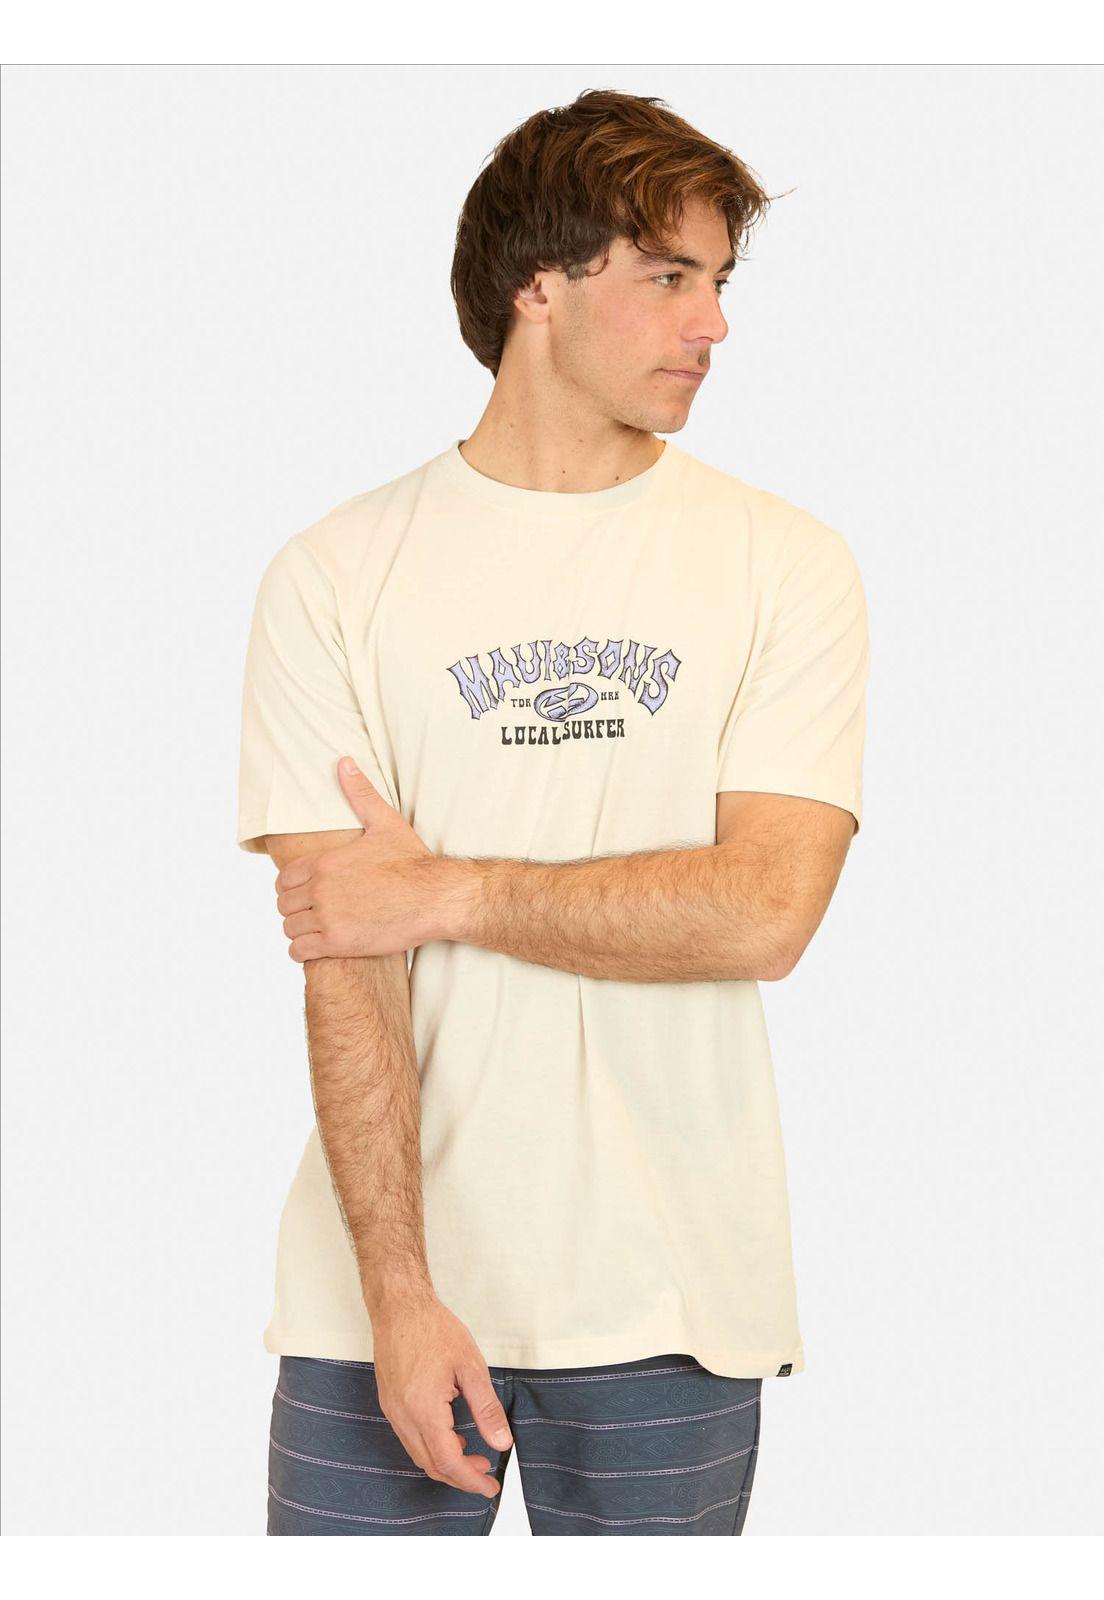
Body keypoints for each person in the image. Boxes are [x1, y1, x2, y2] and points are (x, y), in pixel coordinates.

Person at [237, 88, 869, 1537]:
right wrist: (399, 1298)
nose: (715, 324)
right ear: (539, 282)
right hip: (373, 1305)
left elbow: (766, 912)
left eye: (719, 280)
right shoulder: (335, 574)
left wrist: (449, 891)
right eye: (669, 276)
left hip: (677, 1295)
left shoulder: (784, 563)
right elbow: (348, 954)